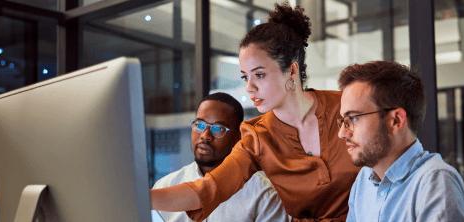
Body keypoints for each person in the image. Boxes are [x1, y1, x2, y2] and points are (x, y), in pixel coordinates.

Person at [151, 3, 359, 221]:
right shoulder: (257, 137)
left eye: (259, 75)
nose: (249, 87)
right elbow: (208, 189)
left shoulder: (345, 107)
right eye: (245, 77)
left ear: (292, 70)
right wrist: (141, 196)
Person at [337, 61, 464, 221]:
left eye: (353, 118)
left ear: (396, 120)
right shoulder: (364, 180)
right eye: (343, 120)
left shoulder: (436, 182)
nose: (342, 133)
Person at [153, 92, 287, 222]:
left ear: (238, 137)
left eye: (218, 128)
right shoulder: (165, 186)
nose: (205, 135)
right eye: (199, 125)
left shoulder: (264, 193)